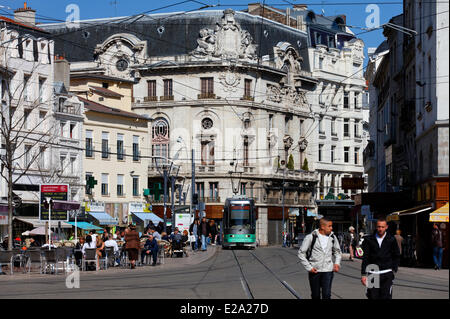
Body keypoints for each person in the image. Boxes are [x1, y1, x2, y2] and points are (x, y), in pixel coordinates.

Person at [298, 218, 341, 300]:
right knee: (315, 295)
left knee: (327, 295)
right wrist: (309, 267)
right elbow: (301, 253)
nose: (331, 228)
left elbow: (337, 252)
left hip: (328, 270)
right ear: (322, 227)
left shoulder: (333, 237)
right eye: (329, 226)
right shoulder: (311, 237)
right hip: (315, 270)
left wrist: (337, 263)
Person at [361, 218, 400, 299]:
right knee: (372, 296)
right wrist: (363, 274)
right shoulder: (369, 240)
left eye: (382, 227)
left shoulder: (391, 239)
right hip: (373, 273)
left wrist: (394, 269)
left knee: (385, 297)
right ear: (376, 227)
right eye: (379, 227)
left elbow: (396, 255)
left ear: (386, 227)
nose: (380, 229)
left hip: (386, 273)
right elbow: (366, 257)